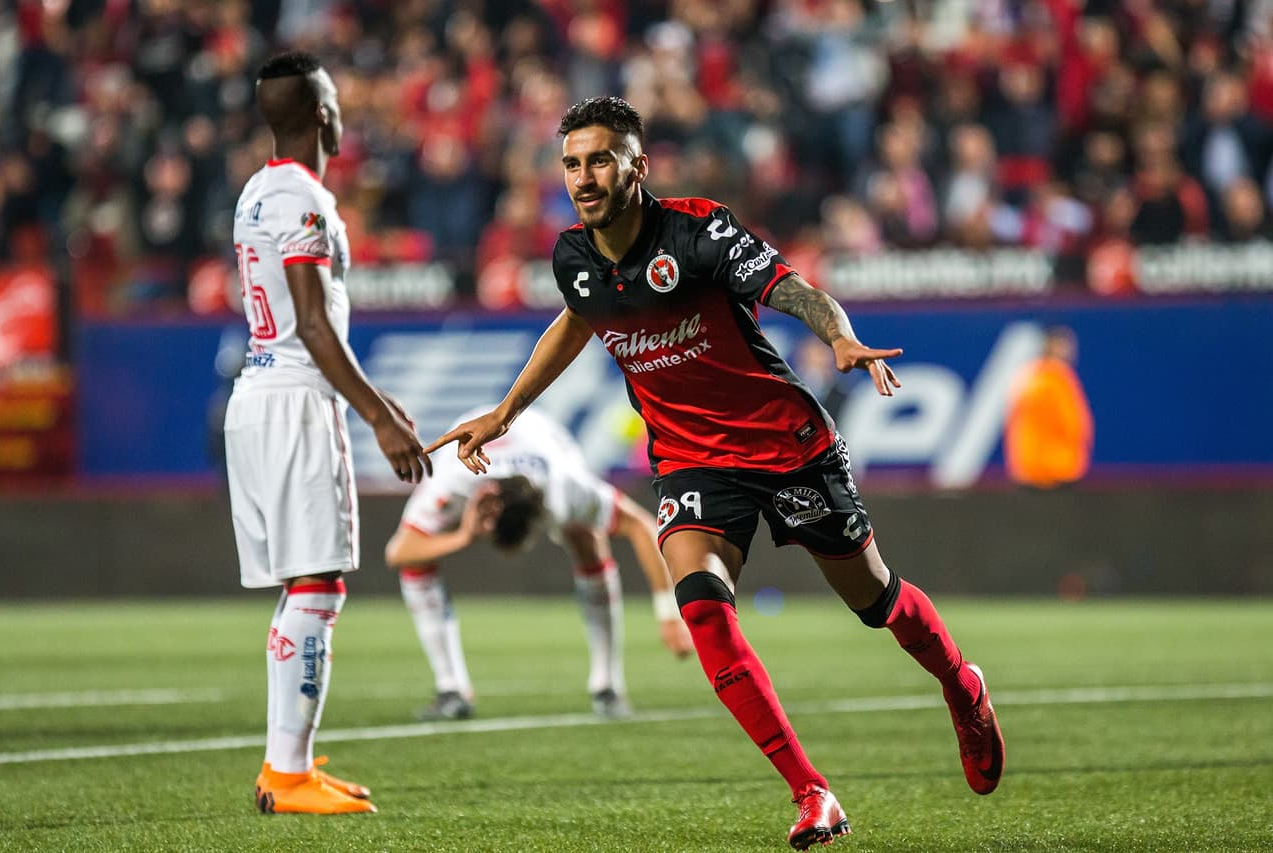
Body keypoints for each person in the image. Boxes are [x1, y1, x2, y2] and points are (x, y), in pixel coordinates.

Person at [427, 97, 1004, 850]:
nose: (583, 177)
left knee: (877, 601)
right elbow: (578, 316)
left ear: (638, 165)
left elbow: (792, 287)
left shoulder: (696, 230)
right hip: (691, 458)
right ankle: (811, 792)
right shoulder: (573, 255)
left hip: (783, 444)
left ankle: (962, 685)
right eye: (571, 163)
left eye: (600, 159)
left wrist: (841, 336)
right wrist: (504, 412)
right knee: (701, 605)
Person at [226, 51, 430, 816]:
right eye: (336, 99)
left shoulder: (257, 190)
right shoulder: (303, 199)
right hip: (295, 398)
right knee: (318, 583)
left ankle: (292, 761)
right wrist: (377, 415)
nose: (344, 112)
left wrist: (378, 404)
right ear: (320, 111)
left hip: (260, 388)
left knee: (304, 582)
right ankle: (285, 773)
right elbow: (312, 322)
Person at [383, 407, 693, 721]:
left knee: (586, 539)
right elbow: (398, 553)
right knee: (417, 560)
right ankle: (452, 689)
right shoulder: (451, 481)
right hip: (486, 446)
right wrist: (462, 536)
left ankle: (607, 685)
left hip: (545, 438)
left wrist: (669, 614)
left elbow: (641, 526)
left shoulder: (564, 487)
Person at [1004, 325, 1093, 489]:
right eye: (1065, 345)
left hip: (1034, 468)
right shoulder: (1053, 378)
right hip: (1053, 470)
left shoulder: (1031, 375)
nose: (1071, 350)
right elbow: (1070, 422)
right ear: (1052, 346)